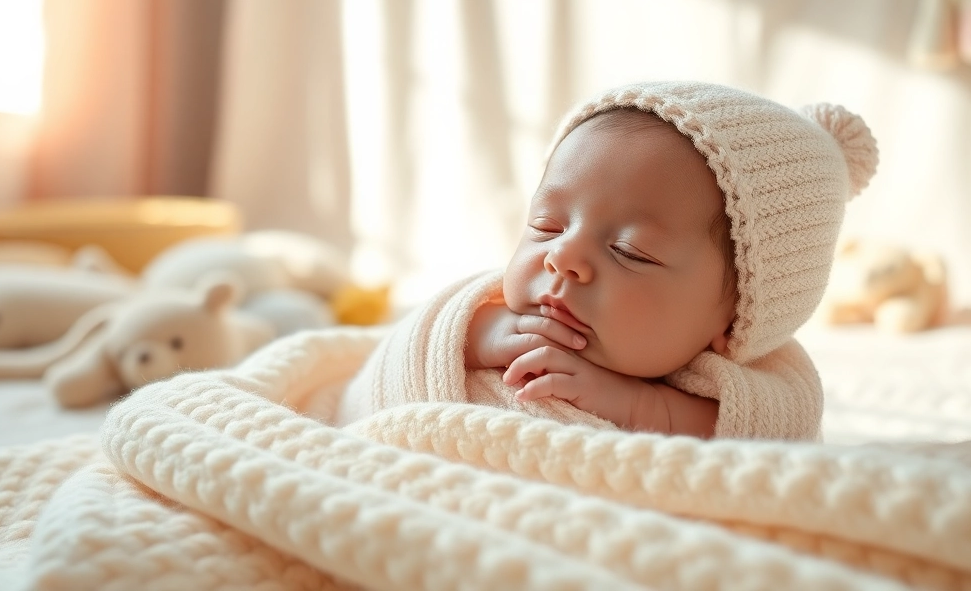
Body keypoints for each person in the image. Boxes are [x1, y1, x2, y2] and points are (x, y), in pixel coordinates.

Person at [335, 81, 877, 441]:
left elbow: (767, 443)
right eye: (547, 225)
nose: (563, 257)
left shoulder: (749, 389)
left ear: (735, 321)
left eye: (629, 251)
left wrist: (635, 406)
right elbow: (385, 382)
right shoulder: (490, 314)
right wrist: (476, 336)